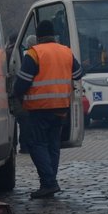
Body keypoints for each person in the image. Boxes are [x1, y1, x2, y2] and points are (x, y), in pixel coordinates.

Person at [13, 20, 83, 199]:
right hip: (61, 106)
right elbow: (77, 74)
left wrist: (15, 95)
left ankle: (49, 182)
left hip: (39, 107)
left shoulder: (34, 53)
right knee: (53, 145)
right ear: (53, 34)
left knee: (37, 144)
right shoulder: (66, 51)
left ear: (38, 36)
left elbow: (23, 81)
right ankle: (50, 181)